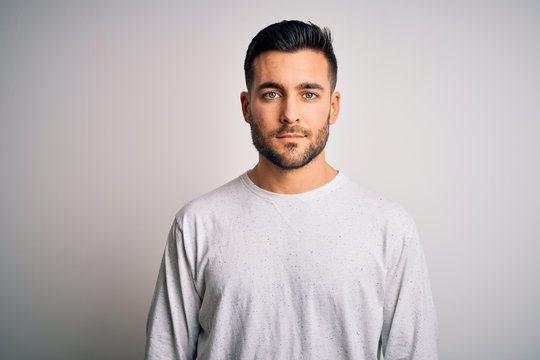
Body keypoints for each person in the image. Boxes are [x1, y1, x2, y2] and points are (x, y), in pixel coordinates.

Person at [144, 20, 438, 360]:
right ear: (246, 106)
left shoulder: (389, 226)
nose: (290, 114)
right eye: (272, 94)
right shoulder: (197, 224)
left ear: (334, 106)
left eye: (309, 94)